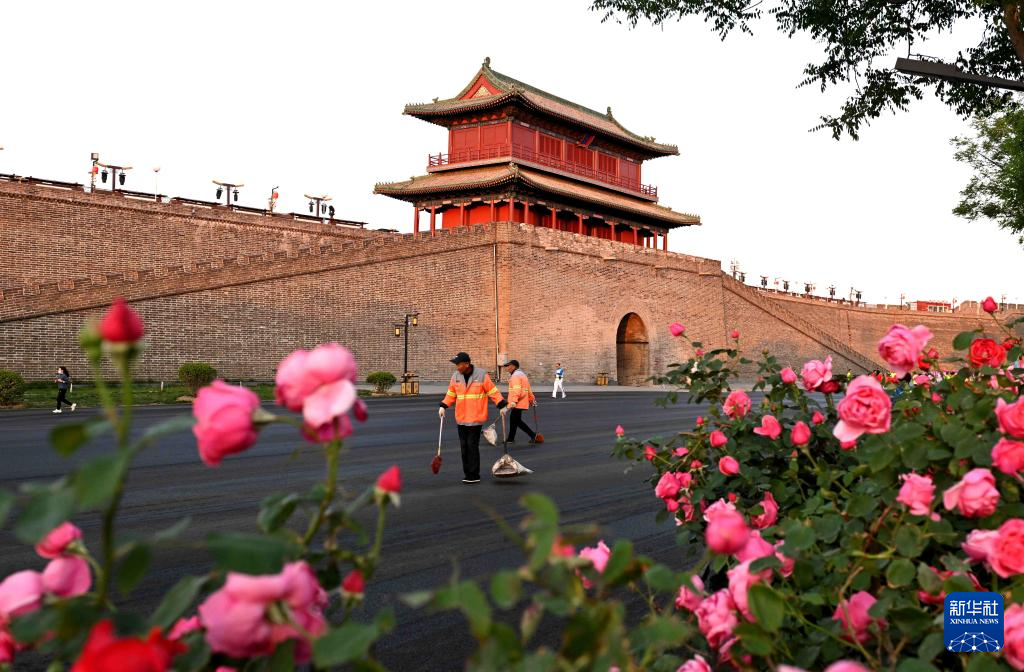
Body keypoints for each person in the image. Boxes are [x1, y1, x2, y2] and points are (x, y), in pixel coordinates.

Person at [439, 352, 507, 484]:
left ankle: (474, 474)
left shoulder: (481, 375)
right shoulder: (455, 376)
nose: (457, 367)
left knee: (472, 446)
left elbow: (492, 391)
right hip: (461, 418)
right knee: (464, 447)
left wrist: (501, 404)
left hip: (476, 417)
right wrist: (443, 406)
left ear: (467, 364)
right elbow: (451, 394)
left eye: (459, 364)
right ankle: (468, 473)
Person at [505, 360, 537, 444]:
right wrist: (532, 399)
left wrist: (514, 401)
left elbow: (517, 390)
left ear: (514, 367)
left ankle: (533, 435)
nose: (507, 368)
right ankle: (510, 438)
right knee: (514, 420)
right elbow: (528, 389)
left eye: (508, 366)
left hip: (517, 402)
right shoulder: (523, 375)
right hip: (521, 402)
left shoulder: (515, 376)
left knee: (516, 421)